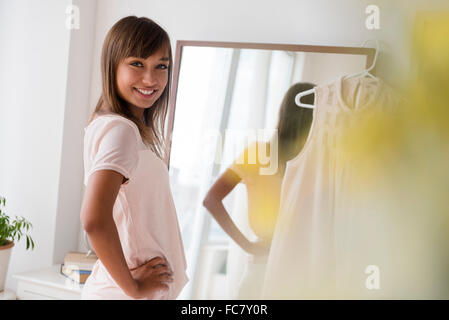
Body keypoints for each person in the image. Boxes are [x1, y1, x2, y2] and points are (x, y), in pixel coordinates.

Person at [80, 16, 188, 300]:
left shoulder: (113, 126)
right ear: (112, 64)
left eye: (161, 66)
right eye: (137, 64)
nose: (151, 79)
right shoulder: (121, 131)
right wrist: (134, 288)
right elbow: (93, 218)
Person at [202, 82, 315, 299]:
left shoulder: (258, 154)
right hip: (298, 265)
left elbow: (211, 200)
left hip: (270, 263)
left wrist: (248, 246)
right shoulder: (315, 162)